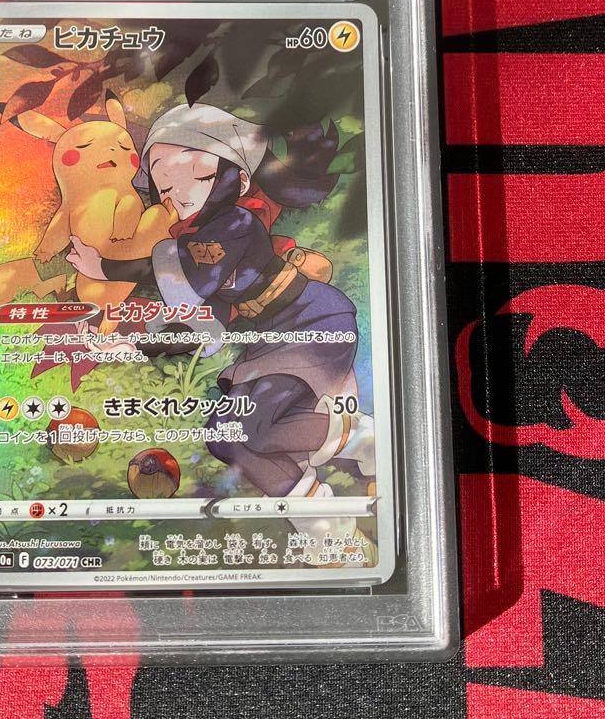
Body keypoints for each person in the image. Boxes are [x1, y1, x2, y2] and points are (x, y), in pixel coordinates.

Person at [66, 103, 375, 563]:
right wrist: (131, 344)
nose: (180, 193)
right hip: (271, 339)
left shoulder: (234, 225)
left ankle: (336, 505)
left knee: (243, 429)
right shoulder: (196, 244)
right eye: (166, 185)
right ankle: (349, 464)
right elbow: (198, 325)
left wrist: (106, 267)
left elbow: (189, 275)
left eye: (199, 176)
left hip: (313, 322)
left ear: (240, 180)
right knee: (227, 435)